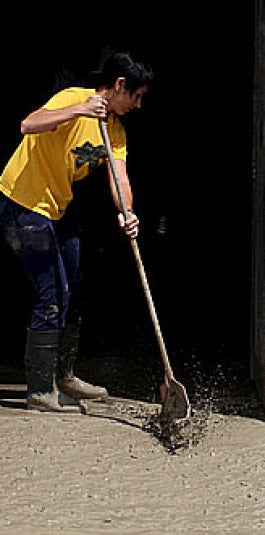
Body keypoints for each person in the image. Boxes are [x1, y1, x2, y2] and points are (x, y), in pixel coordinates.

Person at [0, 51, 152, 412]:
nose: (139, 104)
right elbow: (29, 124)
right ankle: (40, 391)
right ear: (118, 86)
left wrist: (127, 212)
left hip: (56, 208)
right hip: (22, 205)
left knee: (74, 286)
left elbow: (120, 178)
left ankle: (64, 375)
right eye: (136, 95)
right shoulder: (72, 98)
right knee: (50, 294)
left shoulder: (114, 129)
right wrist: (80, 110)